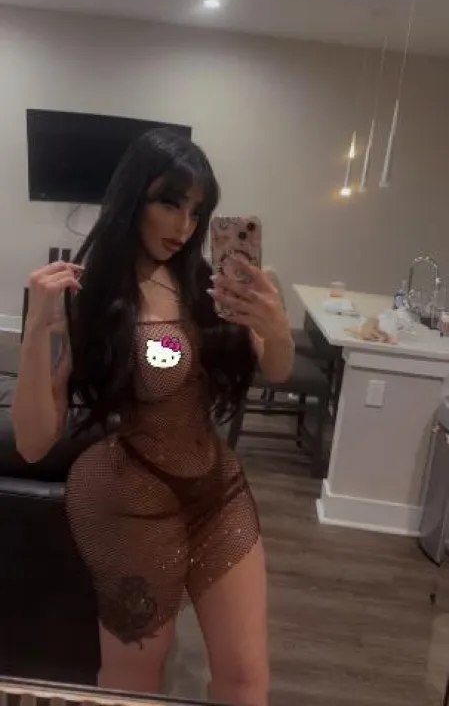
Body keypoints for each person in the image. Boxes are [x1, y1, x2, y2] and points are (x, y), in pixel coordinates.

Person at [12, 129, 294, 706]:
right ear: (132, 197)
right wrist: (36, 330)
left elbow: (279, 369)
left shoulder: (209, 286)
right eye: (169, 202)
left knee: (246, 679)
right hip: (131, 504)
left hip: (217, 493)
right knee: (134, 683)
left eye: (197, 211)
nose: (184, 225)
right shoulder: (89, 297)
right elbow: (34, 443)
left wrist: (275, 327)